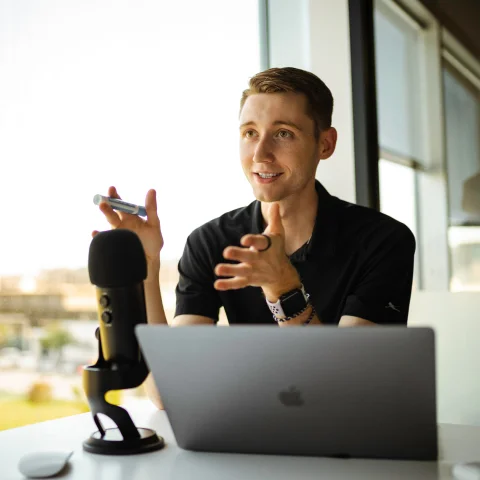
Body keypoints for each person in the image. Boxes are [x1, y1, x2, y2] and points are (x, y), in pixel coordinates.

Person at [94, 67, 416, 408]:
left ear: (325, 143)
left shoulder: (384, 241)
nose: (260, 154)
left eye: (284, 134)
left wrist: (284, 290)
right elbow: (169, 392)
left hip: (345, 450)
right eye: (250, 132)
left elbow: (345, 389)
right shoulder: (210, 242)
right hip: (245, 441)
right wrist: (145, 268)